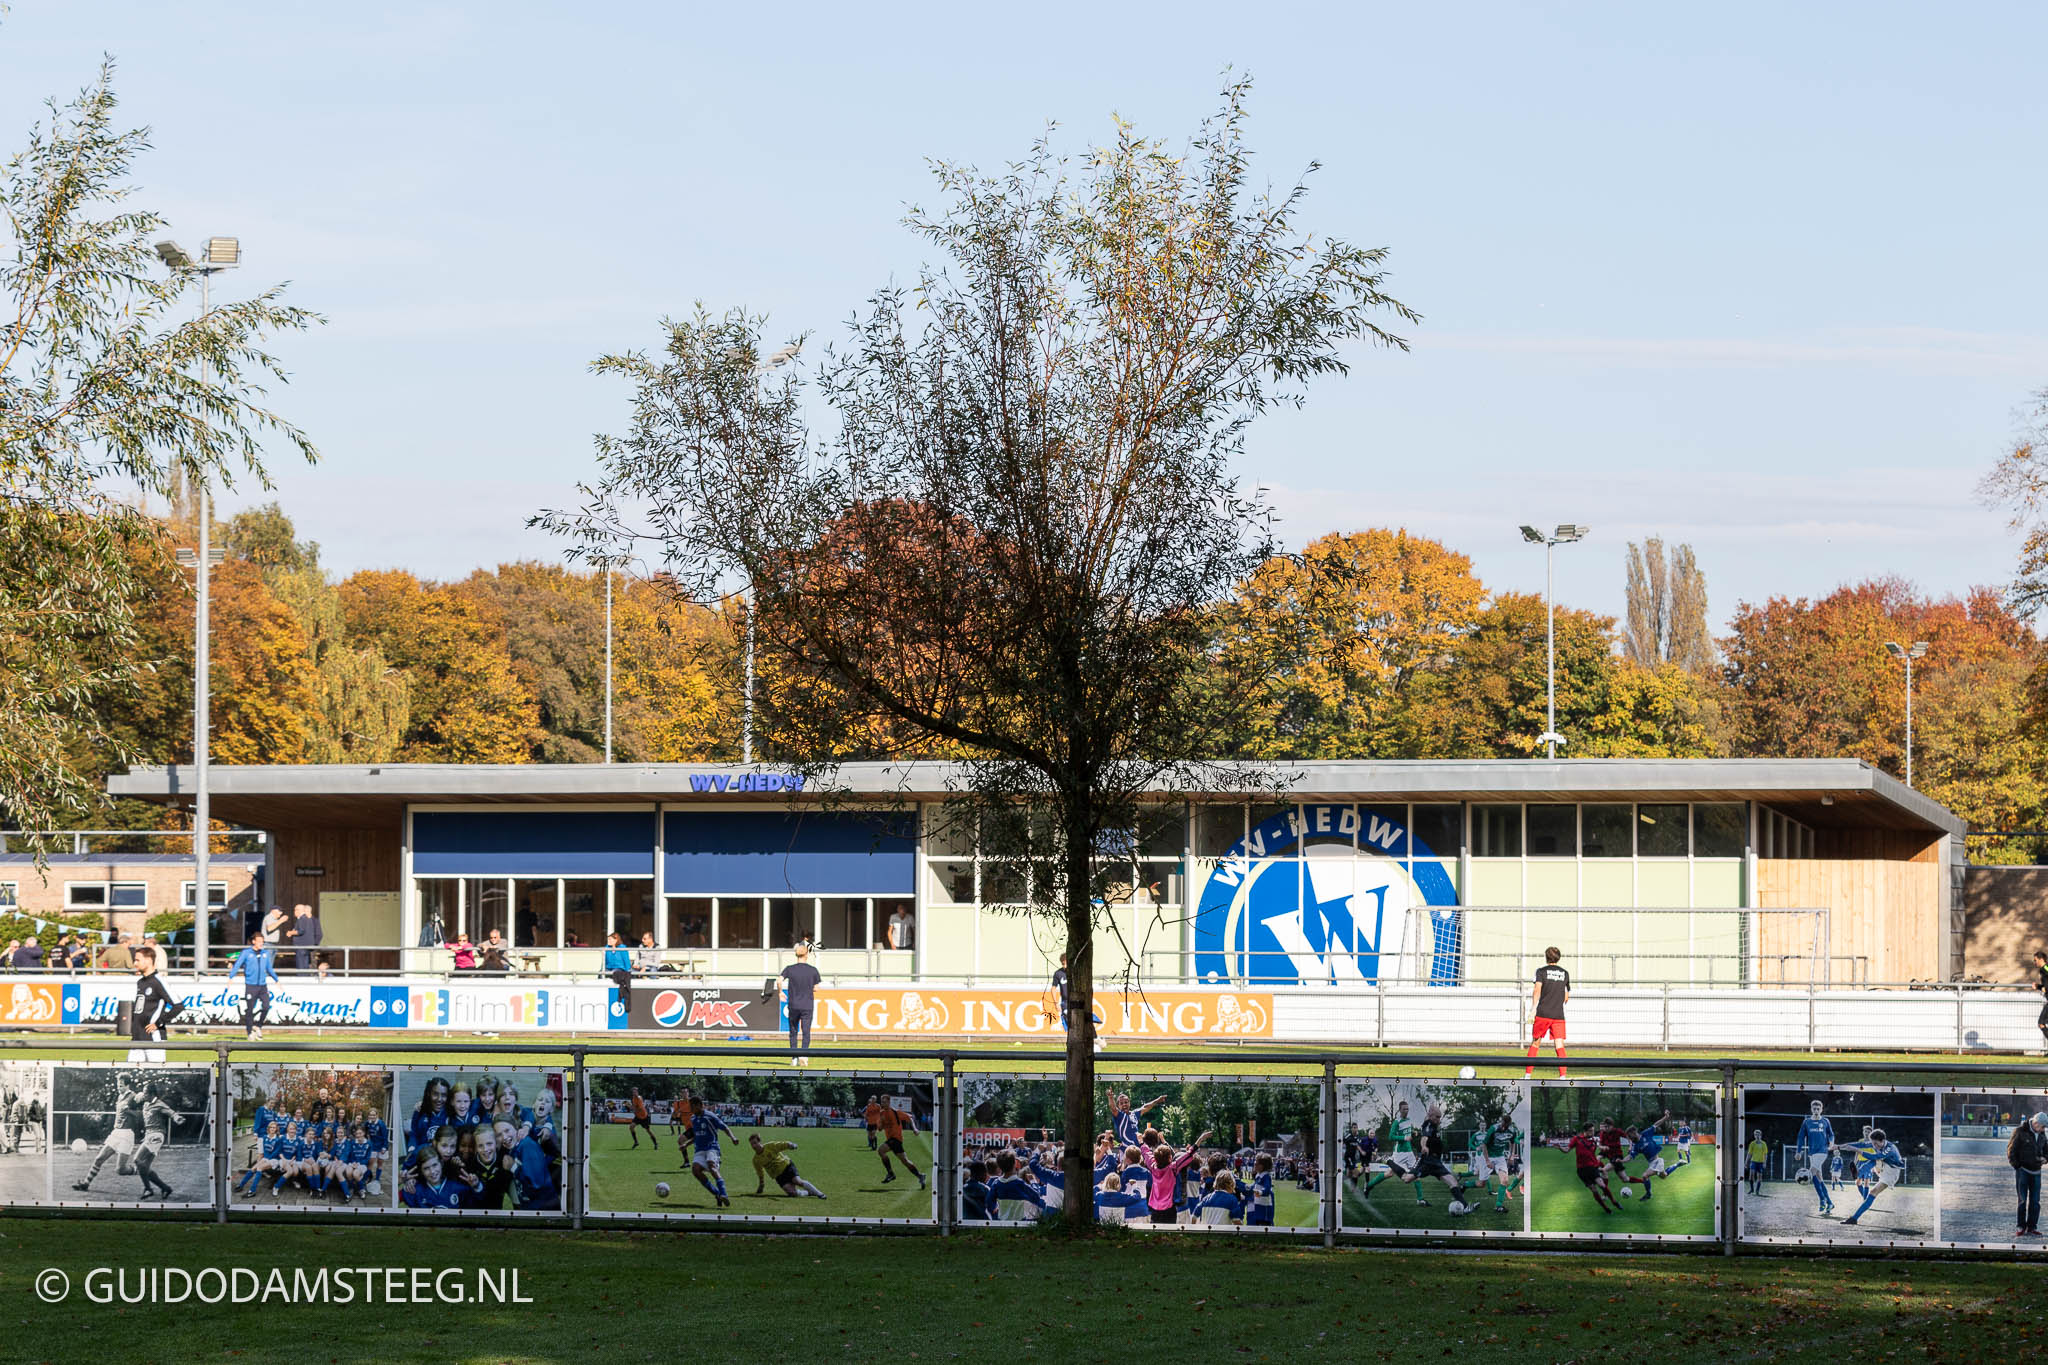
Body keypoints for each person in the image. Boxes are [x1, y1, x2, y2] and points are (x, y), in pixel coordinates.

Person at [1839, 1127, 1906, 1226]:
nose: (1874, 1146)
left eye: (1876, 1144)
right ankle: (1854, 1219)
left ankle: (1859, 1173)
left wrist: (1856, 1150)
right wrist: (1841, 1146)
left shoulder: (1890, 1148)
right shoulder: (1876, 1143)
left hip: (1892, 1172)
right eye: (1873, 1143)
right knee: (1872, 1165)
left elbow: (1875, 1157)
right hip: (1883, 1165)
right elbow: (1861, 1144)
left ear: (1883, 1141)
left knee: (1874, 1161)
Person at [684, 1096, 736, 1207]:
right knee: (695, 1170)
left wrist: (733, 1137)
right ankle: (717, 1194)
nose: (690, 1109)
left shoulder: (710, 1116)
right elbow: (697, 1136)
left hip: (712, 1147)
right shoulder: (693, 1119)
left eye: (692, 1106)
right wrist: (686, 1144)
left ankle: (724, 1194)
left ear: (699, 1105)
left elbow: (724, 1127)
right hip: (699, 1150)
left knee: (712, 1165)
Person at [1526, 946, 1569, 1078]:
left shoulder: (1541, 971)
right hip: (1558, 1015)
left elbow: (1537, 990)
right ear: (1559, 958)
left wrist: (1533, 1008)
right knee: (1559, 1044)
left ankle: (1527, 1075)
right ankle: (1563, 1076)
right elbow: (1566, 996)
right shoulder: (1565, 973)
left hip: (1543, 1013)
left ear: (1546, 957)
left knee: (1535, 1043)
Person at [779, 940, 821, 1065]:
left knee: (793, 1031)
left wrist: (780, 992)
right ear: (806, 955)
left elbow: (779, 980)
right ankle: (804, 1055)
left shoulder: (789, 969)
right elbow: (816, 988)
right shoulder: (813, 970)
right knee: (806, 1031)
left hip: (793, 1004)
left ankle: (794, 1058)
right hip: (807, 1004)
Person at [231, 932, 279, 1041]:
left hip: (262, 985)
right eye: (259, 941)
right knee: (250, 1010)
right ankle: (249, 1032)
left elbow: (269, 968)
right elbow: (237, 964)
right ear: (254, 942)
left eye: (262, 941)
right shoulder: (246, 953)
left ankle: (258, 1026)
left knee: (266, 1006)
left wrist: (276, 979)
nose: (261, 943)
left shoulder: (265, 953)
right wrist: (231, 977)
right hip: (251, 985)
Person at [749, 1132, 827, 1199]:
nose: (754, 1146)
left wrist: (791, 1145)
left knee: (797, 1181)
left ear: (760, 1142)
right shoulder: (755, 1160)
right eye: (752, 1144)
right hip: (778, 1176)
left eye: (755, 1143)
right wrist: (761, 1184)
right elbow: (760, 1172)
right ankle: (809, 1193)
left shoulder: (770, 1146)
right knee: (792, 1193)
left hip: (786, 1166)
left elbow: (782, 1145)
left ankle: (820, 1194)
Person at [1795, 1099, 1838, 1217]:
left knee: (1811, 1173)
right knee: (1818, 1178)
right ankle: (1829, 1202)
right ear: (1811, 1109)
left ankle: (1822, 1200)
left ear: (1821, 1109)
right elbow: (1800, 1137)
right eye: (1814, 1108)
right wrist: (1798, 1151)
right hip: (1811, 1153)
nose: (1816, 1110)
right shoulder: (1806, 1122)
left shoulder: (1825, 1121)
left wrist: (1831, 1142)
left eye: (1818, 1109)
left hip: (1823, 1151)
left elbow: (1831, 1134)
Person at [873, 1096, 927, 1190]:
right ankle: (920, 1176)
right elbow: (880, 1128)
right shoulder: (882, 1113)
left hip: (896, 1139)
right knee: (905, 1161)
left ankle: (890, 1173)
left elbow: (909, 1118)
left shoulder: (895, 1112)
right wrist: (881, 1124)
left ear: (889, 1102)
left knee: (881, 1151)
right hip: (891, 1139)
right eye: (882, 1102)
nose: (883, 1104)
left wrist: (914, 1128)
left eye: (885, 1102)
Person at [130, 946, 180, 1043]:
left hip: (154, 1038)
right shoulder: (141, 982)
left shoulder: (158, 981)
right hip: (137, 1037)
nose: (134, 964)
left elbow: (178, 1005)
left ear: (148, 960)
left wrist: (158, 1023)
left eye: (137, 960)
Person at [2008, 1110, 2046, 1237]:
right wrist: (2017, 1166)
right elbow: (2011, 1150)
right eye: (2042, 1126)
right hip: (2023, 1171)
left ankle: (2032, 1227)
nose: (2043, 1129)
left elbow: (2047, 1149)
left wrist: (2046, 1158)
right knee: (2022, 1201)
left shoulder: (2042, 1134)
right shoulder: (2020, 1131)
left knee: (2035, 1202)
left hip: (2037, 1172)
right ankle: (2021, 1226)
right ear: (2035, 1123)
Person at [603, 932, 633, 1011]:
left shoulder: (622, 947)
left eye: (610, 939)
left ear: (616, 940)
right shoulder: (606, 948)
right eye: (608, 939)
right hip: (609, 968)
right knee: (601, 973)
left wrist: (628, 971)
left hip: (619, 968)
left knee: (616, 973)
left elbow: (626, 961)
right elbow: (604, 961)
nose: (608, 941)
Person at [287, 904, 321, 972]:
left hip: (301, 946)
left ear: (298, 911)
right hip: (306, 946)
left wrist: (291, 933)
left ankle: (301, 980)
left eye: (295, 910)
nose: (294, 912)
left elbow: (301, 931)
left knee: (301, 966)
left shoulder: (302, 919)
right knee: (305, 966)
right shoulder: (308, 919)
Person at [1745, 1129, 1769, 1197]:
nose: (1757, 1136)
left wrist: (1764, 1163)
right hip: (1753, 1162)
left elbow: (1765, 1154)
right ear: (1754, 1135)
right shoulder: (1752, 1144)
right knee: (1751, 1175)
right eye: (1756, 1134)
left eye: (1758, 1134)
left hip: (1760, 1162)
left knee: (1759, 1177)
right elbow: (1749, 1154)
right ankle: (1752, 1189)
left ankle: (1757, 1191)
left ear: (1760, 1135)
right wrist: (1746, 1162)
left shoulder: (1763, 1144)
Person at [2034, 949, 2048, 1053]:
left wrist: (2045, 988)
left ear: (2041, 959)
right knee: (2042, 1023)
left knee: (2041, 1023)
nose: (2034, 962)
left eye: (2035, 960)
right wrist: (2038, 986)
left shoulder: (2046, 968)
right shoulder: (2042, 970)